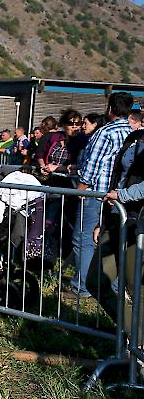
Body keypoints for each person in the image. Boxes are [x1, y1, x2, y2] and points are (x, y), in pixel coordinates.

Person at [70, 92, 133, 298]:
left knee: (84, 238)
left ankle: (83, 285)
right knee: (110, 241)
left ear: (110, 109)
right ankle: (113, 285)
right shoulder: (133, 132)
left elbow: (92, 164)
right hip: (117, 196)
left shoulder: (105, 132)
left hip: (96, 193)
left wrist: (80, 188)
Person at [87, 109, 142, 335]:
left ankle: (137, 352)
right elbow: (117, 179)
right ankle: (135, 336)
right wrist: (104, 218)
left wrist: (124, 196)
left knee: (137, 289)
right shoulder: (133, 138)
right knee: (96, 281)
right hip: (118, 218)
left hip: (138, 222)